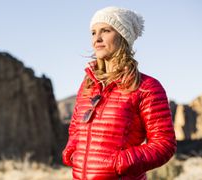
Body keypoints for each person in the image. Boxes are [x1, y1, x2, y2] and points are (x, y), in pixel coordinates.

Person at [62, 6, 177, 180]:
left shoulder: (147, 86)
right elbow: (75, 129)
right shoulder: (87, 85)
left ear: (123, 36)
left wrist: (119, 162)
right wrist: (71, 151)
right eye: (93, 33)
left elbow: (164, 144)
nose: (97, 39)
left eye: (105, 31)